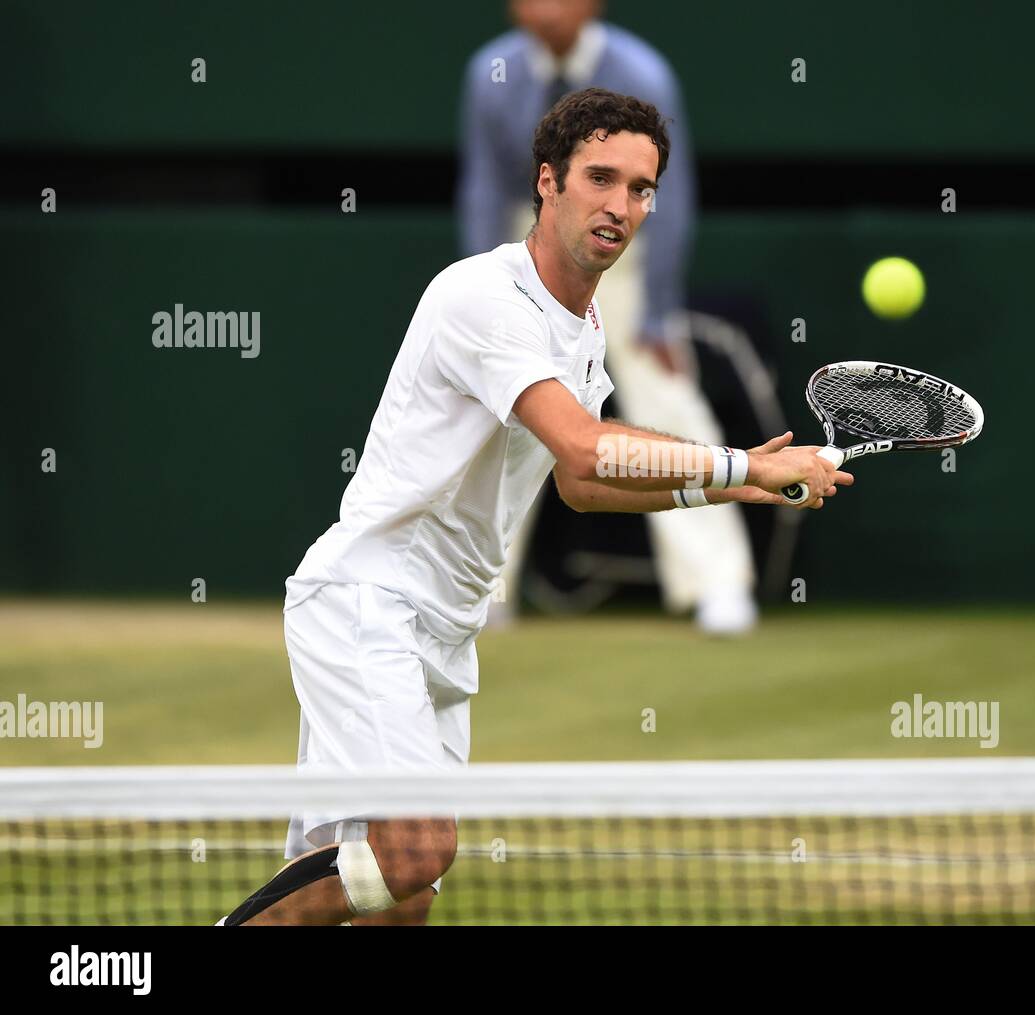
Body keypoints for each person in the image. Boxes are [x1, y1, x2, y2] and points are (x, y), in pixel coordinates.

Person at [218, 88, 850, 926]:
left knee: (400, 899)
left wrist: (739, 482)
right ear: (546, 182)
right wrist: (736, 460)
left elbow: (580, 485)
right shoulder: (480, 296)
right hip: (369, 603)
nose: (620, 206)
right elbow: (586, 447)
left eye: (641, 188)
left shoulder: (583, 329)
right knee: (414, 852)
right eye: (600, 178)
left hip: (443, 628)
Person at [459, 0, 760, 634]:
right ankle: (480, 587)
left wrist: (657, 310)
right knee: (503, 411)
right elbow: (485, 186)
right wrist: (484, 284)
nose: (543, 9)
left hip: (624, 247)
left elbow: (668, 199)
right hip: (530, 238)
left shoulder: (643, 72)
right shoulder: (489, 70)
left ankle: (718, 582)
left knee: (664, 401)